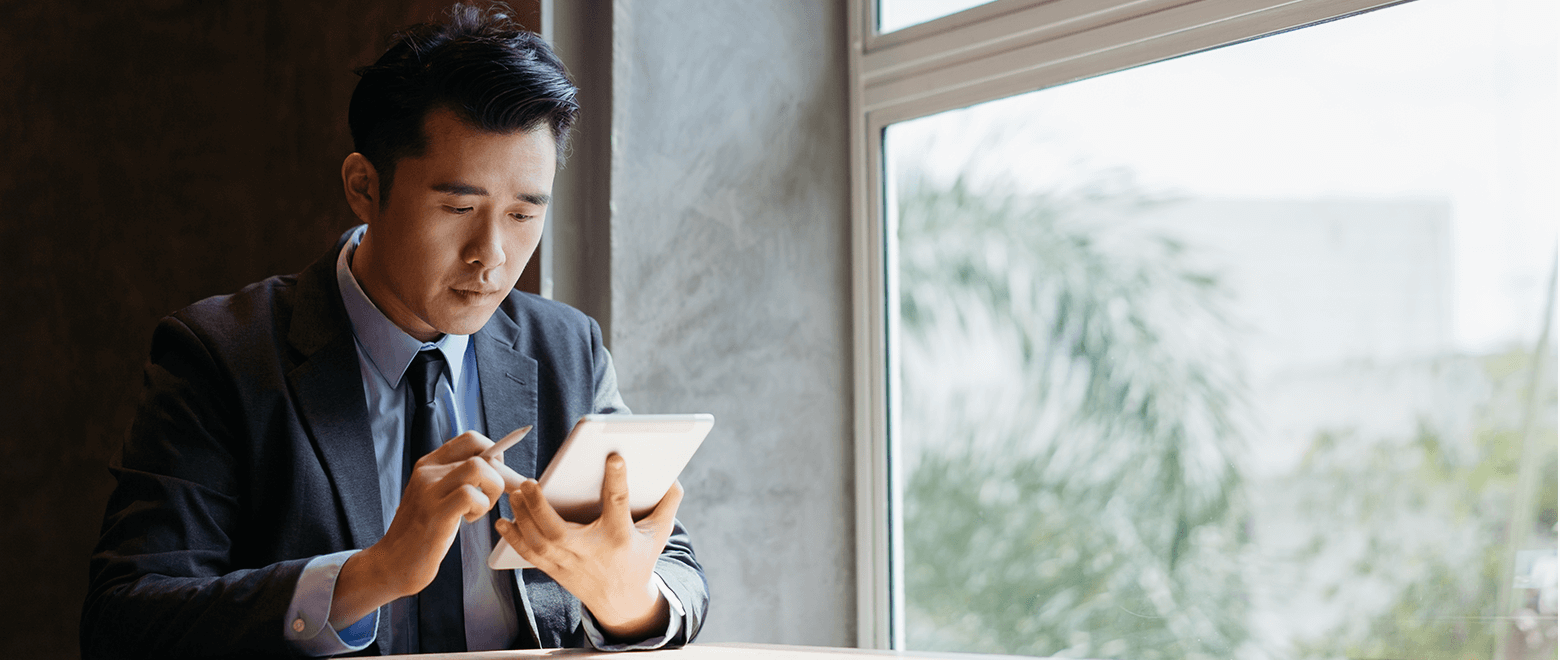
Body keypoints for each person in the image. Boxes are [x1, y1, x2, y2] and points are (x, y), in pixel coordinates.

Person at [80, 4, 707, 657]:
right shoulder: (221, 355)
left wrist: (622, 597)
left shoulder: (565, 349)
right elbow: (125, 623)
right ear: (363, 186)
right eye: (458, 208)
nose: (490, 255)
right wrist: (373, 574)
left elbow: (679, 575)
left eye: (524, 214)